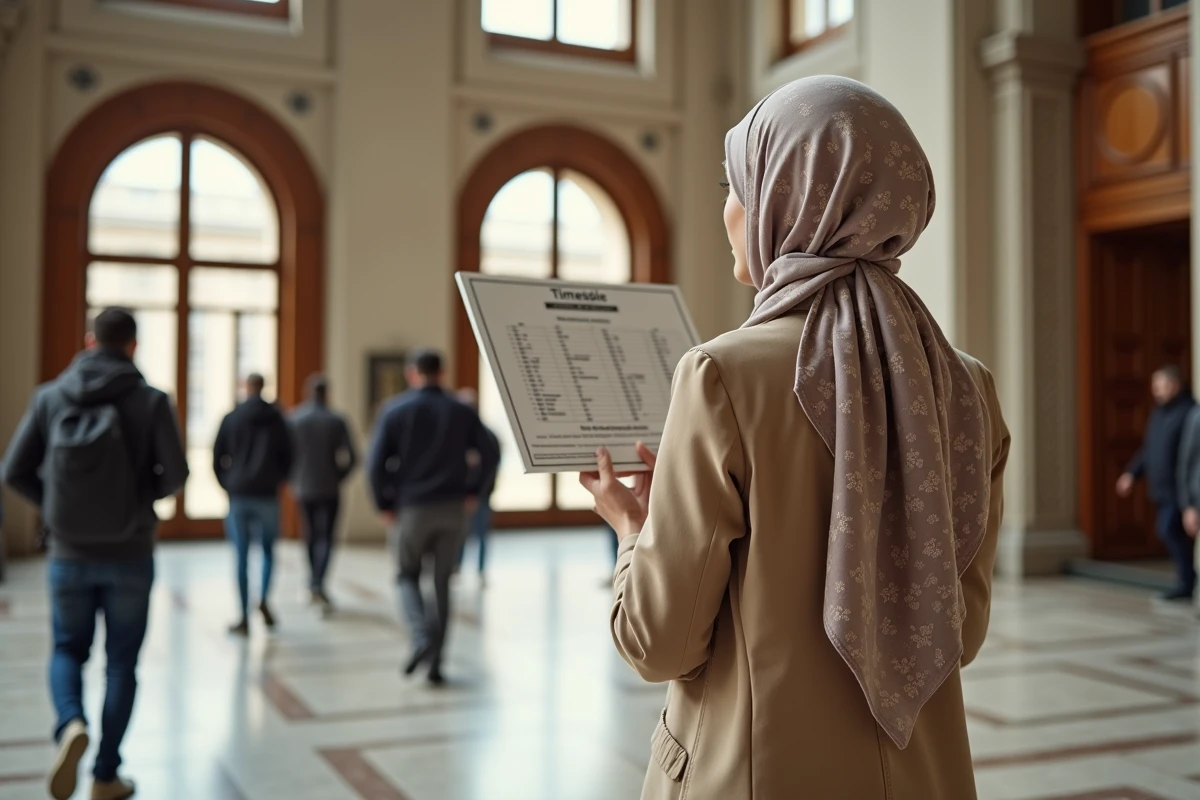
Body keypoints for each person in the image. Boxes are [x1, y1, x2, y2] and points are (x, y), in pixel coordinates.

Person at [579, 76, 1009, 799]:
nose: (729, 214)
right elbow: (955, 636)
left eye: (738, 186)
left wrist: (634, 527)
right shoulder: (966, 384)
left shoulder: (721, 375)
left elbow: (658, 641)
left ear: (792, 197)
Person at [2, 307, 187, 800]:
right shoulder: (151, 401)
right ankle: (106, 775)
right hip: (130, 550)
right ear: (133, 346)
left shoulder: (50, 396)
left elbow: (13, 470)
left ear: (89, 341)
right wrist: (138, 498)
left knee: (67, 648)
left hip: (68, 552)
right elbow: (175, 476)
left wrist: (56, 508)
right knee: (121, 664)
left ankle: (70, 724)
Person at [368, 350, 499, 684]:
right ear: (443, 373)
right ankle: (436, 664)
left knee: (405, 575)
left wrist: (384, 503)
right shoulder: (461, 411)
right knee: (441, 583)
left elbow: (375, 463)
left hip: (411, 509)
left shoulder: (394, 410)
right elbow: (489, 453)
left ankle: (420, 636)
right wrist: (475, 492)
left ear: (412, 374)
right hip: (453, 509)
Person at [213, 373, 293, 635]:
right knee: (269, 550)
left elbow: (218, 457)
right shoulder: (277, 418)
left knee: (241, 555)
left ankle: (243, 615)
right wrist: (277, 479)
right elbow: (289, 455)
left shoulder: (232, 417)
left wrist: (228, 484)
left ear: (246, 388)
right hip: (267, 494)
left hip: (240, 495)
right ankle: (264, 599)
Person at [1119, 365, 1197, 600]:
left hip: (1181, 489)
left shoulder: (1189, 413)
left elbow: (1190, 456)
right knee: (1171, 531)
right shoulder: (1159, 413)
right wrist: (1132, 473)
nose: (1156, 391)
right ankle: (1185, 580)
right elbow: (1149, 450)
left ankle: (1187, 581)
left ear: (1175, 385)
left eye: (1160, 385)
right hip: (1162, 489)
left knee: (1168, 529)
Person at [288, 373, 358, 612]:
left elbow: (285, 455)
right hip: (329, 487)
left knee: (310, 534)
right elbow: (353, 457)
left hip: (304, 487)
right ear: (327, 393)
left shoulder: (295, 419)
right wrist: (339, 476)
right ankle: (318, 582)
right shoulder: (336, 420)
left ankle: (313, 581)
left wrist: (293, 478)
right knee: (326, 537)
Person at [454, 388, 499, 583]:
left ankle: (480, 570)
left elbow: (492, 465)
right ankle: (456, 568)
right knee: (458, 535)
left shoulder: (487, 435)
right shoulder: (454, 435)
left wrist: (479, 492)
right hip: (458, 496)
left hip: (481, 495)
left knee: (480, 534)